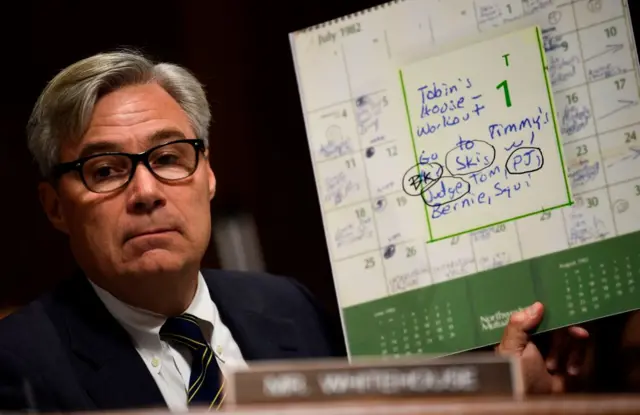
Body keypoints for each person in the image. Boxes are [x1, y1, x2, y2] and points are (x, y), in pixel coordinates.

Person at [0, 50, 591, 412]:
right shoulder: (21, 363)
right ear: (55, 207)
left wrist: (502, 393)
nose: (148, 191)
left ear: (207, 174)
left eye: (170, 157)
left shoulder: (289, 308)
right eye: (105, 170)